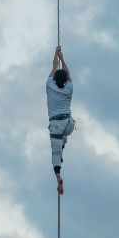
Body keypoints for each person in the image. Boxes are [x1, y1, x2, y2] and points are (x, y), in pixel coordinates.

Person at [46, 46, 74, 195]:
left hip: (56, 124)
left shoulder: (50, 86)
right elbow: (67, 75)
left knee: (55, 154)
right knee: (63, 135)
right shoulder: (69, 87)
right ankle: (62, 150)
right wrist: (62, 58)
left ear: (55, 79)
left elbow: (54, 68)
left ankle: (59, 178)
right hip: (68, 125)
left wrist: (55, 55)